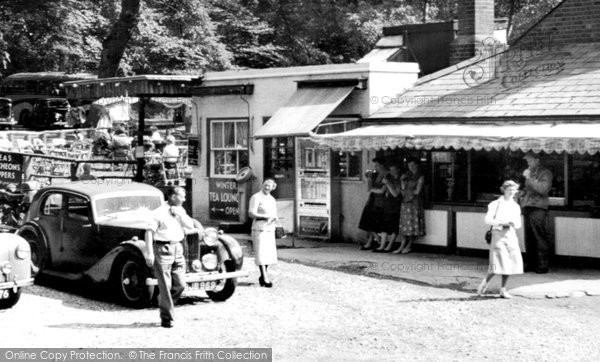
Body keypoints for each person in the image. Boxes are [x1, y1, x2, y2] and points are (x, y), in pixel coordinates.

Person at [144, 186, 203, 328]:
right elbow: (149, 233)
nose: (184, 199)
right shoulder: (158, 212)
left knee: (181, 284)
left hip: (178, 248)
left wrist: (180, 215)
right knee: (166, 285)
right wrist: (150, 253)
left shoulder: (181, 210)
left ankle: (164, 302)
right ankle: (167, 318)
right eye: (182, 196)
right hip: (162, 249)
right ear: (172, 196)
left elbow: (190, 226)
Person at [477, 180, 523, 299]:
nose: (512, 193)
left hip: (511, 234)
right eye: (509, 190)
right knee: (497, 262)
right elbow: (487, 219)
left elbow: (518, 224)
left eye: (514, 190)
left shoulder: (516, 206)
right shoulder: (495, 204)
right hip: (498, 233)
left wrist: (513, 223)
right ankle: (484, 284)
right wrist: (502, 222)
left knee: (509, 262)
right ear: (503, 190)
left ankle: (503, 290)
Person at [520, 151, 553, 274]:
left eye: (530, 160)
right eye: (527, 161)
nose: (528, 163)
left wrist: (529, 178)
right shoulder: (531, 172)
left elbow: (543, 189)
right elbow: (529, 189)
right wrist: (521, 193)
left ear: (537, 160)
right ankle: (531, 263)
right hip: (528, 205)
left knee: (539, 235)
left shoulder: (545, 173)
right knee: (529, 236)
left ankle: (542, 265)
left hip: (539, 206)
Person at [248, 179, 279, 288]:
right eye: (265, 185)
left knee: (268, 254)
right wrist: (265, 217)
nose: (267, 187)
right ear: (262, 185)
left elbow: (274, 213)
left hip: (270, 229)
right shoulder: (256, 197)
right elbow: (251, 213)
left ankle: (263, 275)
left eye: (269, 186)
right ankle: (265, 277)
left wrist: (275, 218)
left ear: (273, 188)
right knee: (261, 253)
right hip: (259, 228)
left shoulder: (272, 199)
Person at [393, 158, 425, 254]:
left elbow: (417, 191)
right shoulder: (406, 175)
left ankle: (409, 244)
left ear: (417, 165)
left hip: (414, 202)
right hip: (405, 202)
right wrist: (402, 182)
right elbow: (402, 190)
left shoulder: (420, 176)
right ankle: (402, 244)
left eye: (412, 165)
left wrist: (407, 191)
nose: (410, 167)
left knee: (412, 223)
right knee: (404, 224)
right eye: (409, 165)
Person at [375, 163, 402, 252]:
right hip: (387, 204)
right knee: (384, 226)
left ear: (398, 170)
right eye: (390, 170)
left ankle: (389, 245)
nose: (392, 172)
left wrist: (388, 184)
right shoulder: (389, 178)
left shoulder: (400, 180)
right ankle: (382, 245)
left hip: (395, 204)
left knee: (394, 226)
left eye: (394, 170)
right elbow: (383, 190)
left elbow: (395, 194)